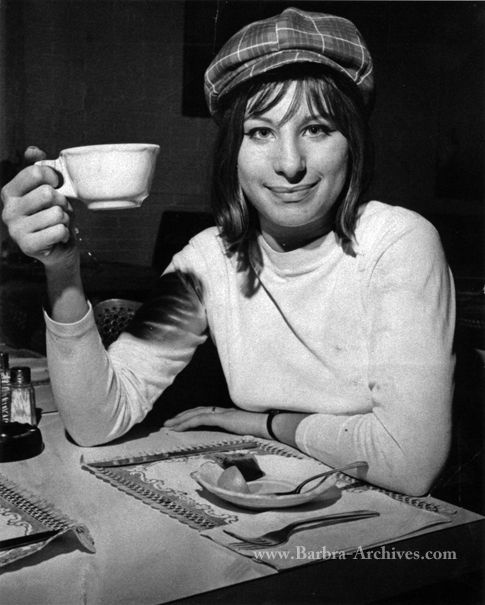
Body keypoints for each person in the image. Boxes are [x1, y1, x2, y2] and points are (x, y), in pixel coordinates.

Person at [1, 8, 454, 496]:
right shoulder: (208, 261)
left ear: (353, 144)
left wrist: (265, 423)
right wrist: (61, 269)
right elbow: (96, 423)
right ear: (232, 153)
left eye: (317, 128)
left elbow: (409, 463)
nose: (290, 164)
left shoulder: (399, 242)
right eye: (260, 131)